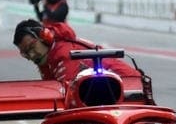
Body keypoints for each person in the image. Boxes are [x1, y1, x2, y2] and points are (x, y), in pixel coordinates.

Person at [12, 18, 141, 88]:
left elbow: (66, 98)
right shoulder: (49, 59)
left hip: (130, 88)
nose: (31, 55)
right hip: (113, 93)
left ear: (45, 37)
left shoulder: (64, 54)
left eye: (32, 47)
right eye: (25, 53)